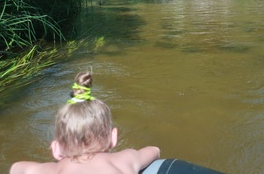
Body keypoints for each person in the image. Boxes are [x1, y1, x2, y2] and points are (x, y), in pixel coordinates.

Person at [10, 71, 160, 174]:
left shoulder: (53, 170)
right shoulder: (125, 159)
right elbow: (154, 150)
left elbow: (17, 168)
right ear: (113, 138)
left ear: (56, 149)